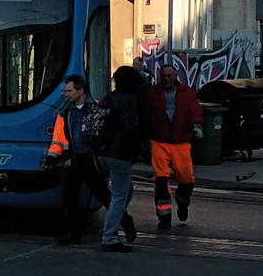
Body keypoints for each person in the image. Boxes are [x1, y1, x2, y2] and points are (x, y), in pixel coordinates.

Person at [44, 74, 133, 247]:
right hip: (73, 160)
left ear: (81, 91)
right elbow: (58, 139)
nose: (65, 94)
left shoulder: (96, 108)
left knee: (103, 195)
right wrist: (52, 157)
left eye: (69, 91)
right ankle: (73, 234)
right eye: (65, 91)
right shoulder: (64, 112)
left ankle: (126, 221)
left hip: (91, 160)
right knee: (69, 198)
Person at [145, 63, 203, 229]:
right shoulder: (153, 94)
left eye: (170, 76)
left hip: (181, 142)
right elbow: (147, 116)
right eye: (164, 76)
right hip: (160, 141)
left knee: (187, 180)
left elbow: (195, 111)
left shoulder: (187, 93)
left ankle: (182, 201)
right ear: (160, 76)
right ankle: (164, 217)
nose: (167, 79)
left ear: (175, 76)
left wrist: (197, 126)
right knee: (161, 180)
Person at [98, 66, 144, 252]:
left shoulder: (108, 98)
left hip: (102, 151)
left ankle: (115, 221)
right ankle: (109, 237)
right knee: (119, 195)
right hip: (121, 153)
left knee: (126, 190)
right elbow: (130, 126)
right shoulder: (131, 100)